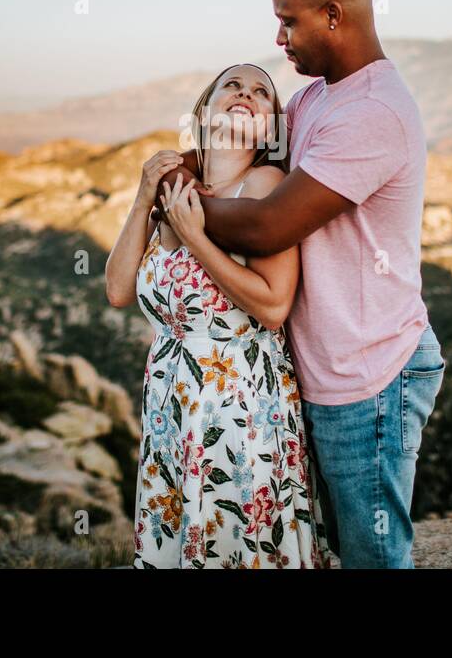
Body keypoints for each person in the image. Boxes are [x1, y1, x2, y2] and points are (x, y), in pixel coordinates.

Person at [158, 0, 444, 568]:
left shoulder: (372, 112)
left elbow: (266, 224)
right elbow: (248, 150)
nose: (279, 37)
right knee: (335, 547)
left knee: (373, 555)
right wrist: (183, 168)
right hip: (318, 372)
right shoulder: (318, 97)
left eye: (289, 21)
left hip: (368, 375)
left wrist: (179, 207)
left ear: (333, 15)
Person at [105, 63, 333, 568]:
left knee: (235, 539)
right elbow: (119, 289)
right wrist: (145, 198)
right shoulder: (174, 193)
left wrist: (197, 239)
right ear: (203, 111)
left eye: (260, 93)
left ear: (270, 128)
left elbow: (273, 306)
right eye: (232, 85)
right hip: (173, 406)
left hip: (241, 408)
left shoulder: (265, 184)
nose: (245, 94)